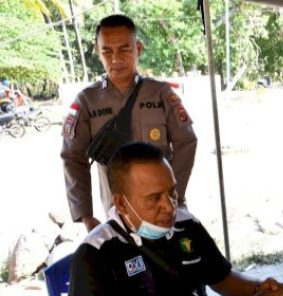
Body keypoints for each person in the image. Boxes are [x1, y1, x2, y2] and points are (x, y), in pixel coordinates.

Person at [65, 142, 278, 296]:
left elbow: (223, 279)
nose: (169, 206)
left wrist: (259, 288)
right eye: (154, 198)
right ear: (121, 204)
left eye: (172, 192)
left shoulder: (187, 225)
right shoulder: (97, 251)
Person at [60, 14, 197, 233]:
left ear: (138, 49)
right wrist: (85, 216)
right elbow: (73, 157)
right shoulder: (87, 101)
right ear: (98, 52)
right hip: (120, 216)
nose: (115, 58)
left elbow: (186, 142)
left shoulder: (161, 94)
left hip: (166, 213)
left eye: (124, 49)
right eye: (107, 51)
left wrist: (174, 197)